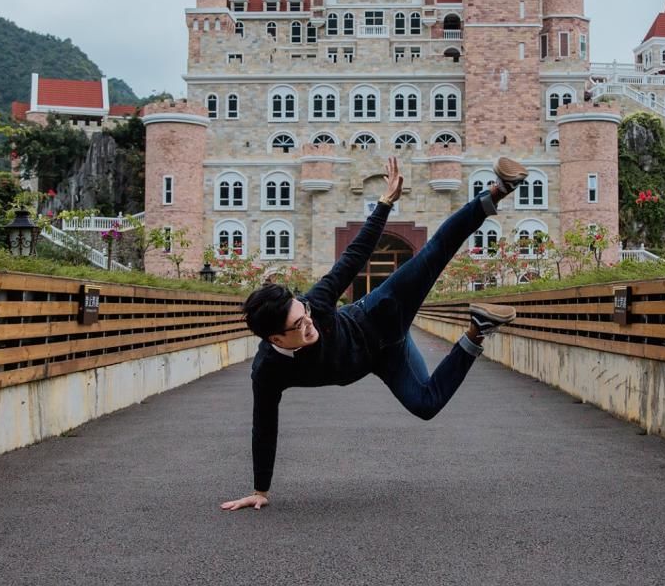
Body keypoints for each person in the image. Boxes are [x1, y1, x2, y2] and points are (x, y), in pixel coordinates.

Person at [220, 155, 526, 512]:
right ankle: (478, 330)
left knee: (432, 255)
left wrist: (384, 203)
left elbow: (353, 257)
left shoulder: (314, 304)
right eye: (299, 327)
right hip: (383, 358)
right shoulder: (268, 371)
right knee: (425, 404)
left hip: (380, 315)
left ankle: (497, 190)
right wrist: (261, 490)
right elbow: (264, 426)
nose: (310, 325)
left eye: (305, 315)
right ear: (274, 339)